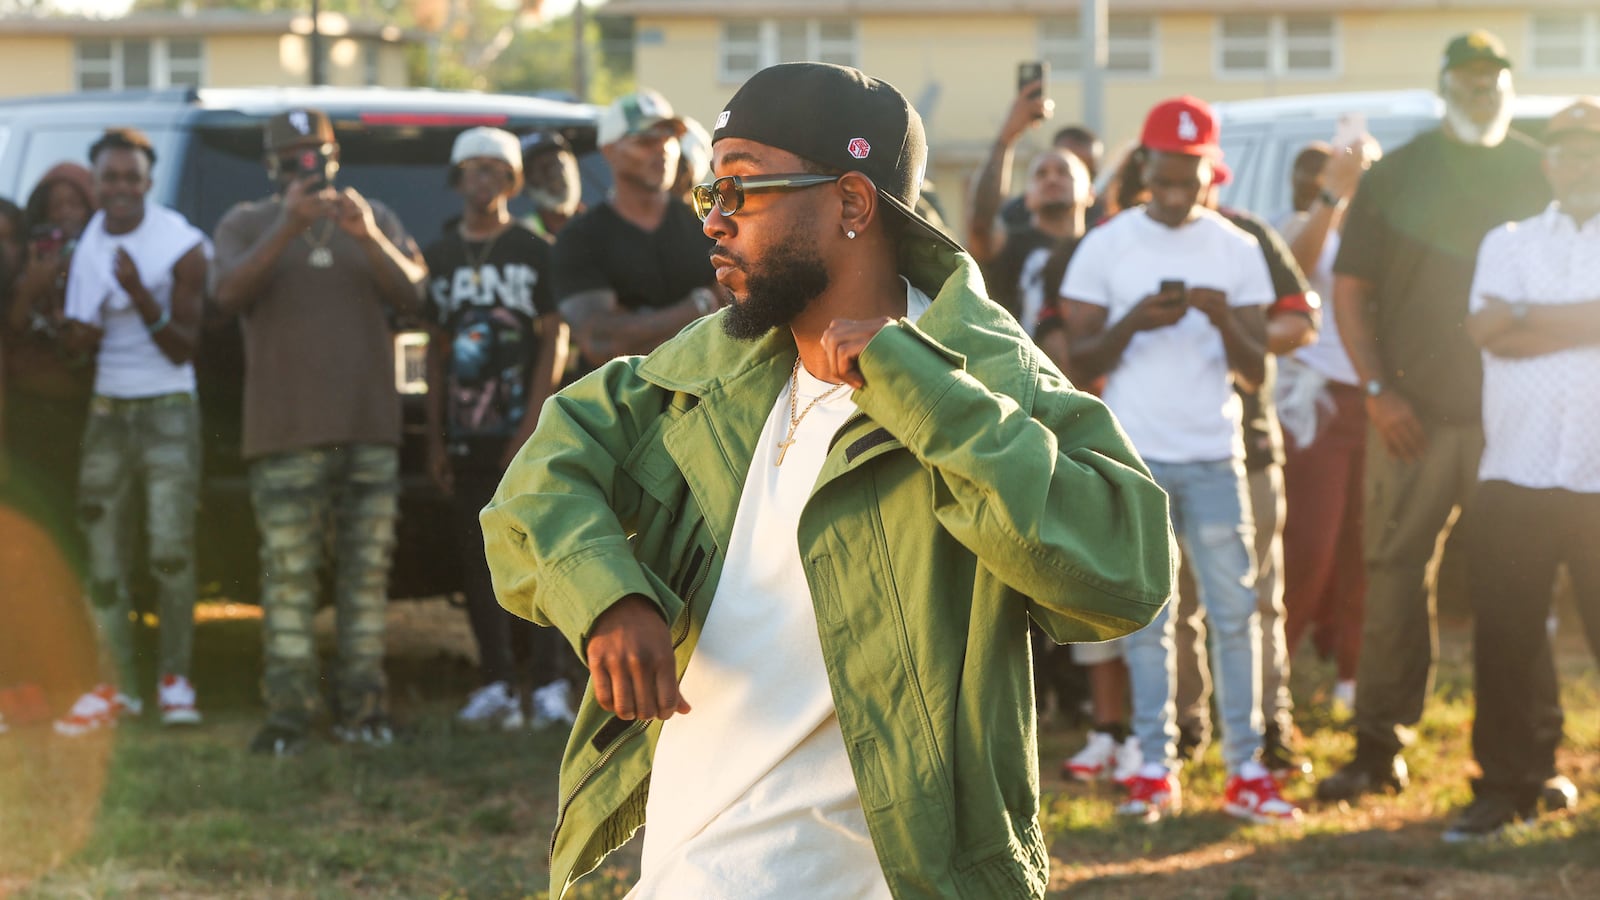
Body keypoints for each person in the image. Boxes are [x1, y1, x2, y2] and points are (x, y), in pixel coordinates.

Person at [481, 62, 1174, 898]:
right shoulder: (722, 363)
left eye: (741, 189)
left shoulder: (984, 374)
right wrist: (607, 595)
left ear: (851, 203)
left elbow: (1127, 570)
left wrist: (926, 396)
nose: (715, 221)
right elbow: (539, 478)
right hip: (688, 865)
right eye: (711, 194)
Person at [1316, 31, 1553, 804]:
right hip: (1412, 416)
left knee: (1520, 588)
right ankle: (1380, 746)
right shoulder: (1402, 174)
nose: (1481, 88)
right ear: (1445, 84)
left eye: (1493, 78)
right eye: (1469, 77)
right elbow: (1350, 290)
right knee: (1393, 579)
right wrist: (1379, 390)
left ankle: (1528, 757)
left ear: (1507, 87)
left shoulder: (1538, 166)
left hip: (1515, 420)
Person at [1063, 96, 1299, 824]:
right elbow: (1077, 359)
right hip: (1137, 455)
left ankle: (1247, 769)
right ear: (1145, 170)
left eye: (1187, 181)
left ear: (1209, 175)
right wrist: (1138, 319)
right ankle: (1154, 767)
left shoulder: (1235, 245)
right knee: (1150, 619)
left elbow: (1257, 374)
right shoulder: (1108, 242)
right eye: (1162, 179)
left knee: (1237, 613)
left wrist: (1221, 313)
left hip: (1215, 454)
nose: (1173, 194)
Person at [212, 108, 427, 756]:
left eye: (320, 153)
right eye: (296, 155)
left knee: (366, 579)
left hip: (367, 429)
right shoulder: (246, 222)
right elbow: (225, 297)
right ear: (273, 165)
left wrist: (364, 235)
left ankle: (363, 711)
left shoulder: (375, 216)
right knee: (287, 578)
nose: (311, 165)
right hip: (284, 435)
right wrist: (288, 225)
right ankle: (288, 717)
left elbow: (415, 294)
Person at [1443, 97, 1600, 841]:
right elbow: (1488, 331)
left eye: (1592, 150)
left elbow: (1512, 325)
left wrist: (1530, 317)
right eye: (1568, 151)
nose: (1580, 164)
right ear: (1548, 162)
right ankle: (1509, 784)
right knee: (1506, 637)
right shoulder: (1507, 240)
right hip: (1519, 469)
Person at [48, 128, 209, 735]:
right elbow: (74, 345)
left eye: (130, 177)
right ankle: (115, 686)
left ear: (148, 181)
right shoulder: (86, 247)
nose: (118, 188)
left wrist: (142, 295)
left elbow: (184, 348)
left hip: (168, 408)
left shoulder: (182, 246)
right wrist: (76, 338)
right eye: (108, 178)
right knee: (104, 558)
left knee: (170, 552)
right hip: (108, 411)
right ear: (95, 183)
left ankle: (175, 681)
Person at [421, 127, 575, 732]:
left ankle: (551, 681)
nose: (482, 181)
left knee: (538, 550)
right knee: (477, 557)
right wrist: (433, 436)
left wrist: (535, 421)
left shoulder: (534, 250)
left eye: (495, 170)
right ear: (457, 180)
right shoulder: (438, 255)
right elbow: (433, 351)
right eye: (472, 170)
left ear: (512, 181)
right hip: (465, 434)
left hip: (527, 432)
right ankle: (496, 682)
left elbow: (554, 336)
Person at [1276, 137, 1380, 716]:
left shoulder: (1379, 224)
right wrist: (1331, 195)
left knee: (1363, 544)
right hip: (1314, 401)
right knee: (1309, 544)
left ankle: (1351, 675)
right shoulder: (1303, 221)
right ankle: (1279, 672)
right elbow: (1294, 269)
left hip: (1371, 395)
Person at [551, 90, 719, 371]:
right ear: (608, 151)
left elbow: (739, 320)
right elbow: (601, 343)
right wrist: (702, 303)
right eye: (646, 140)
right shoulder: (580, 238)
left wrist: (635, 326)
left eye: (669, 138)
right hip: (619, 408)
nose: (662, 149)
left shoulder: (707, 224)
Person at [2, 164, 97, 560]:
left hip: (78, 414)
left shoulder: (97, 262)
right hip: (27, 417)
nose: (63, 213)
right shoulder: (16, 276)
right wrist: (33, 288)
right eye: (55, 204)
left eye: (74, 202)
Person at [967, 78, 1092, 341]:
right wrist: (1006, 138)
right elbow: (980, 222)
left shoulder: (1101, 247)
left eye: (1063, 172)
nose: (1051, 179)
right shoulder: (1008, 245)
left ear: (1090, 192)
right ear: (1027, 198)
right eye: (1041, 174)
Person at [521, 130, 584, 241]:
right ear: (527, 181)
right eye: (543, 167)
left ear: (574, 165)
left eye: (559, 163)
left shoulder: (603, 224)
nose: (554, 174)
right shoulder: (522, 236)